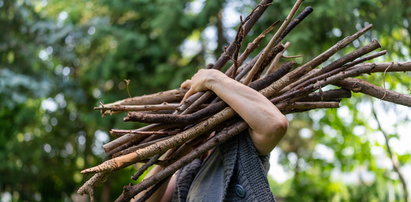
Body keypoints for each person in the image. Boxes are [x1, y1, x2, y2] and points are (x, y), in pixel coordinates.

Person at [136, 69, 288, 202]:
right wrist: (175, 153)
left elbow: (275, 124)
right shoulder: (189, 168)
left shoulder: (244, 143)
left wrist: (213, 78)